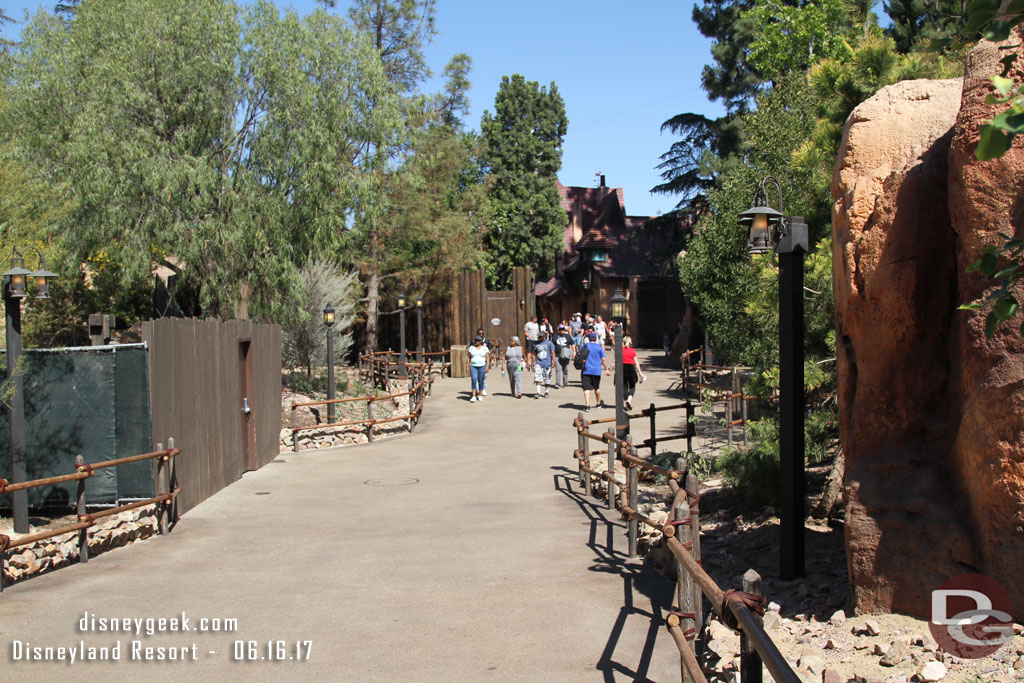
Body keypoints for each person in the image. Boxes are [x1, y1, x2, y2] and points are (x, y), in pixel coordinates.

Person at [579, 332, 609, 412]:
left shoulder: (584, 346)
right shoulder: (599, 348)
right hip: (596, 371)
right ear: (596, 339)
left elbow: (579, 355)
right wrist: (606, 369)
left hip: (585, 370)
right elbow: (603, 359)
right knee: (597, 387)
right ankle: (598, 403)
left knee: (586, 389)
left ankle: (587, 406)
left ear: (589, 339)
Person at [621, 335, 646, 410]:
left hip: (622, 368)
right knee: (632, 385)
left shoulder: (620, 350)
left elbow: (615, 361)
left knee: (624, 386)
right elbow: (636, 363)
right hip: (631, 368)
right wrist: (640, 373)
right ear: (630, 342)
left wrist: (610, 369)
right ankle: (629, 400)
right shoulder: (632, 351)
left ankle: (627, 403)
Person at [532, 330, 556, 398]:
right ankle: (538, 392)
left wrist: (554, 361)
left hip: (547, 363)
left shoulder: (549, 343)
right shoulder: (535, 344)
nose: (539, 337)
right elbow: (534, 354)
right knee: (537, 377)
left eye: (541, 336)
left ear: (544, 336)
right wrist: (532, 363)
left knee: (547, 378)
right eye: (539, 336)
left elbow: (553, 352)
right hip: (538, 363)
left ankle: (546, 391)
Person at [466, 336, 490, 402]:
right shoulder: (471, 348)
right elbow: (468, 357)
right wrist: (467, 366)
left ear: (481, 341)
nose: (476, 341)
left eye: (478, 340)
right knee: (474, 380)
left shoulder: (485, 348)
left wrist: (487, 367)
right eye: (475, 340)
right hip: (473, 366)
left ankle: (479, 395)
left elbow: (487, 358)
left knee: (481, 381)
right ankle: (473, 396)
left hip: (482, 366)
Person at [553, 324, 575, 388]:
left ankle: (565, 383)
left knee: (565, 369)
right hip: (557, 355)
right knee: (558, 369)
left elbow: (572, 343)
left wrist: (574, 352)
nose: (562, 331)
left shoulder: (567, 336)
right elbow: (552, 345)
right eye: (561, 329)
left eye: (563, 329)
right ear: (558, 330)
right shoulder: (555, 336)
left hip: (566, 355)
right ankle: (558, 383)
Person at [475, 327, 493, 395]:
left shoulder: (486, 341)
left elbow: (491, 348)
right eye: (480, 333)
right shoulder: (474, 341)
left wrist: (488, 353)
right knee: (476, 377)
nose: (481, 335)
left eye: (482, 333)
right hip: (476, 361)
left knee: (484, 376)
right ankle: (477, 389)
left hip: (484, 361)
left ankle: (484, 389)